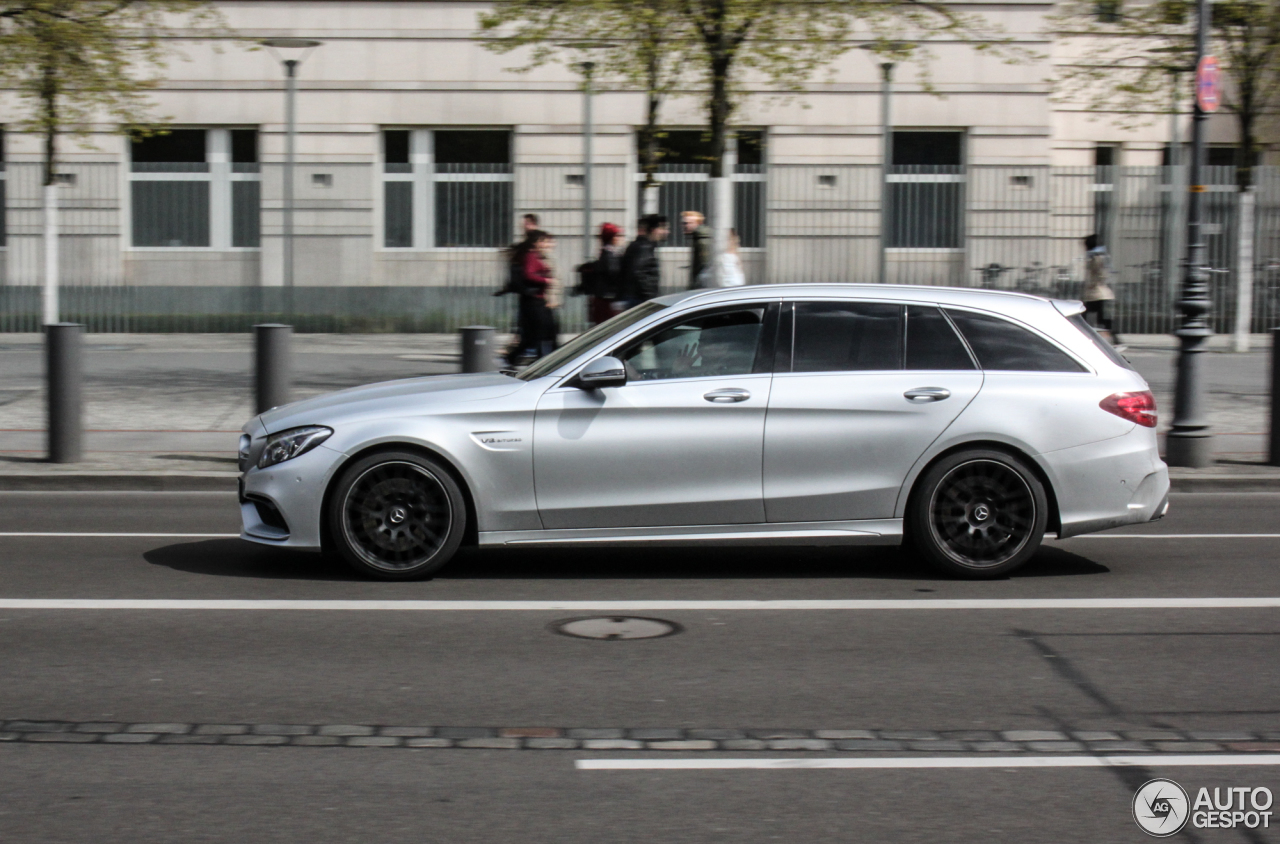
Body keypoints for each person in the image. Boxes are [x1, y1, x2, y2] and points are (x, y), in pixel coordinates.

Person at [516, 230, 558, 360]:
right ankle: (511, 358)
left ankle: (548, 359)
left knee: (547, 332)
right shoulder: (531, 256)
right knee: (539, 334)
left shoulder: (537, 256)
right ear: (536, 242)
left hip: (540, 299)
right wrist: (546, 280)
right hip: (534, 300)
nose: (545, 244)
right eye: (543, 241)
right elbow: (528, 274)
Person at [1082, 233, 1123, 350]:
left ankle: (1116, 342)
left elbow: (1102, 274)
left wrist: (1093, 283)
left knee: (1086, 319)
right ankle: (1116, 342)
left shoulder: (1096, 257)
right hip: (1097, 294)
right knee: (1103, 321)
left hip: (1098, 294)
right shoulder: (1096, 256)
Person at [579, 222, 625, 325]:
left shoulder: (608, 254)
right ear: (612, 237)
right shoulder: (610, 256)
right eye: (618, 235)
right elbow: (614, 276)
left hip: (605, 299)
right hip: (608, 301)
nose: (621, 238)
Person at [621, 214, 668, 307]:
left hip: (636, 299)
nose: (666, 231)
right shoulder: (644, 247)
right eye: (662, 228)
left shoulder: (645, 246)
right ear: (654, 230)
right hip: (639, 300)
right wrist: (650, 297)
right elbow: (639, 273)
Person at [682, 210, 711, 289]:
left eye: (689, 223)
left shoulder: (702, 240)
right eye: (684, 223)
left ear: (699, 223)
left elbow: (703, 266)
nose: (685, 226)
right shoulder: (698, 237)